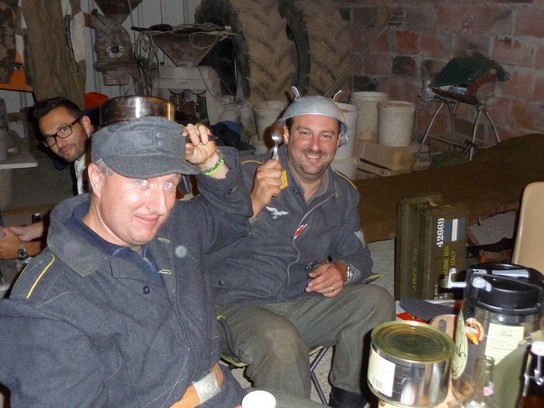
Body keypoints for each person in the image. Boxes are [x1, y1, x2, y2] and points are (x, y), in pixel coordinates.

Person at [0, 116, 325, 408]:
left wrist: (212, 164)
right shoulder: (45, 306)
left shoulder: (173, 225)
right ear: (96, 178)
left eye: (168, 183)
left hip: (226, 395)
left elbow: (233, 218)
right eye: (141, 182)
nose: (158, 205)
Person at [206, 90, 396, 408]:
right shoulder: (244, 174)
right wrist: (250, 205)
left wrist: (343, 270)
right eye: (305, 133)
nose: (315, 146)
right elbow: (200, 242)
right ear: (285, 134)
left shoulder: (342, 194)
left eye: (326, 135)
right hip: (235, 305)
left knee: (376, 301)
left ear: (339, 141)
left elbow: (359, 256)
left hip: (301, 300)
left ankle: (347, 402)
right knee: (282, 342)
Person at [0, 97, 92, 261]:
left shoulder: (101, 167)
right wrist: (33, 230)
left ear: (85, 124)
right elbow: (83, 215)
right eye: (50, 138)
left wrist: (24, 249)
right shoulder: (83, 160)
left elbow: (92, 243)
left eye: (63, 129)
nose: (59, 143)